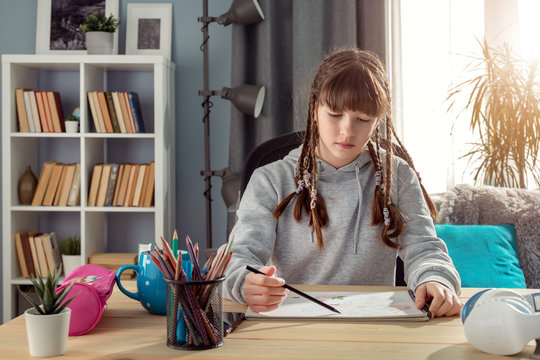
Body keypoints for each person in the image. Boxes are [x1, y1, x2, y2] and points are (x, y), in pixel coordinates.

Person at [223, 48, 462, 318]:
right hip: (289, 321)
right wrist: (244, 283)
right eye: (335, 114)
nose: (347, 131)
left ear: (377, 121)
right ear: (315, 110)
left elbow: (425, 247)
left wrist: (436, 279)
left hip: (373, 325)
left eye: (363, 119)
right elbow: (240, 255)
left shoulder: (398, 175)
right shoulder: (270, 180)